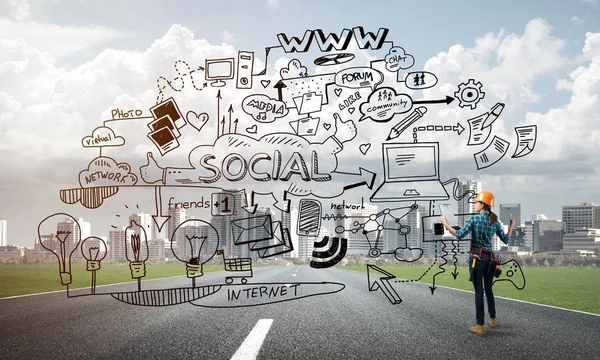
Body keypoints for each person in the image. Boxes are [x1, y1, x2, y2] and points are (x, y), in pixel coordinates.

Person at [440, 191, 515, 337]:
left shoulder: (474, 220)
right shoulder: (495, 222)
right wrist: (512, 226)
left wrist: (445, 224)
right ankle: (492, 319)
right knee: (489, 289)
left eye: (476, 202)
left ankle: (480, 325)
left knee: (479, 291)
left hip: (477, 259)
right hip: (490, 260)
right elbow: (506, 239)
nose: (474, 204)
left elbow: (459, 235)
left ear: (482, 205)